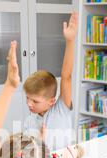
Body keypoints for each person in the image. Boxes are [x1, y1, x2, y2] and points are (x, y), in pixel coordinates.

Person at [23, 12, 78, 150]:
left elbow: (66, 76)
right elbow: (28, 153)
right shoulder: (29, 121)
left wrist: (70, 41)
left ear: (51, 100)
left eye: (35, 101)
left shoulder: (61, 108)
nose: (29, 103)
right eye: (28, 98)